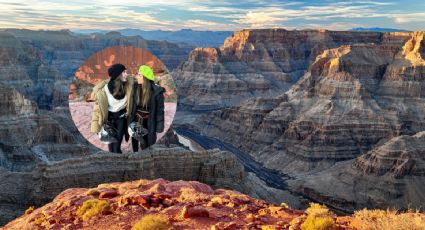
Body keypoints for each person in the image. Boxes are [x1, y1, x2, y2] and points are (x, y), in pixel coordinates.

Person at [90, 63, 135, 153]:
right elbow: (97, 110)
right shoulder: (104, 90)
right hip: (109, 119)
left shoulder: (128, 85)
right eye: (124, 72)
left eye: (126, 72)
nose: (127, 74)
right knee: (110, 143)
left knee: (117, 144)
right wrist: (96, 127)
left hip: (121, 118)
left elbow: (143, 81)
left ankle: (117, 158)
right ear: (118, 75)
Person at [128, 65, 165, 152]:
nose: (137, 77)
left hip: (149, 123)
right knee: (135, 142)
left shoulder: (157, 92)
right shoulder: (135, 88)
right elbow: (133, 106)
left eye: (140, 75)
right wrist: (130, 121)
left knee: (147, 145)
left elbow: (160, 111)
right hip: (136, 121)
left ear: (145, 77)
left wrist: (159, 126)